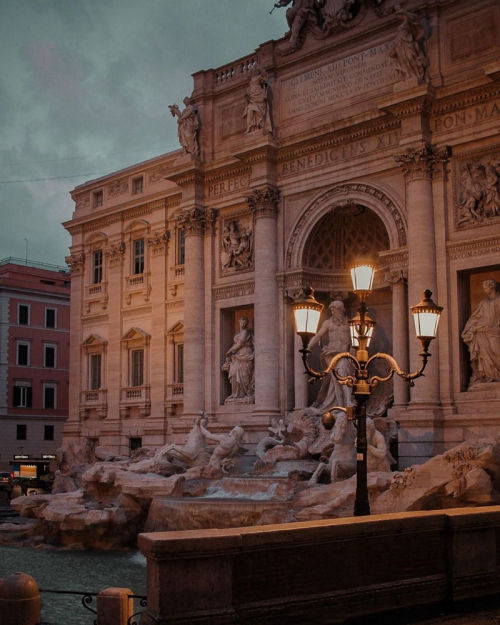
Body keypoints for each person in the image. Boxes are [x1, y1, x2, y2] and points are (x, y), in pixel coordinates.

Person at [308, 300, 354, 410]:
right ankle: (347, 400)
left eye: (335, 309)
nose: (333, 312)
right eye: (332, 310)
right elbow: (318, 336)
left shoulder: (349, 323)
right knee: (341, 369)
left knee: (338, 372)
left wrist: (353, 351)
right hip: (331, 354)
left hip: (345, 354)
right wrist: (307, 347)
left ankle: (338, 404)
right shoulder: (328, 323)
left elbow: (355, 340)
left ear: (342, 310)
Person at [461, 279, 500, 386]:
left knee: (496, 351)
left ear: (492, 287)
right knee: (484, 355)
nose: (484, 289)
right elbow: (475, 317)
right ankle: (490, 376)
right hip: (482, 332)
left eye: (486, 287)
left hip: (495, 332)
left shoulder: (499, 300)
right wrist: (468, 329)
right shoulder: (484, 303)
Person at [389, 6, 428, 82]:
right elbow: (397, 40)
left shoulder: (406, 24)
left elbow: (411, 19)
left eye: (399, 15)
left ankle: (414, 74)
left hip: (408, 44)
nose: (398, 17)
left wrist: (402, 12)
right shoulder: (400, 33)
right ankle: (409, 75)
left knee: (410, 58)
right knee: (404, 61)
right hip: (400, 46)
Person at [222, 316, 255, 402]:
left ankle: (245, 393)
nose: (243, 323)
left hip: (246, 354)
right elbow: (235, 344)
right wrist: (230, 353)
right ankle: (235, 394)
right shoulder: (237, 333)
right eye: (241, 321)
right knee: (234, 373)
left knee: (245, 375)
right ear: (239, 322)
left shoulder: (245, 332)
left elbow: (240, 343)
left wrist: (229, 351)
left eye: (245, 322)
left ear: (247, 323)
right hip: (237, 356)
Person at [243, 68, 272, 134]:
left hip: (259, 95)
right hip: (252, 97)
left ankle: (261, 126)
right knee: (250, 110)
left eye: (253, 71)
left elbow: (265, 81)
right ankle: (249, 128)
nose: (253, 72)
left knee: (259, 112)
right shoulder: (250, 80)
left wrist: (264, 76)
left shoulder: (259, 77)